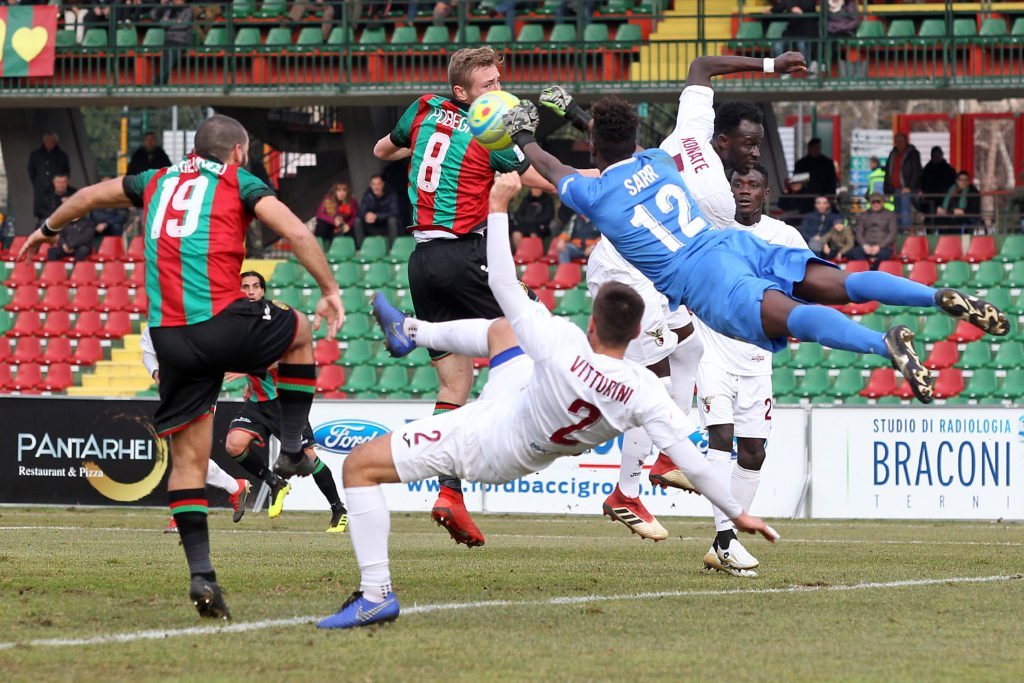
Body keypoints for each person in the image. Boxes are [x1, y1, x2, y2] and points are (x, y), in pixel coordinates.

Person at [324, 173, 779, 630]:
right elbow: (695, 463)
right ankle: (411, 331)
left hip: (490, 440)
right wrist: (738, 513)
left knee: (359, 467)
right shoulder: (643, 389)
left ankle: (375, 595)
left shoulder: (564, 343)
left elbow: (503, 282)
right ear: (636, 333)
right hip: (525, 412)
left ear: (592, 324)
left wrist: (498, 207)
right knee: (506, 331)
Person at [19, 114, 344, 620]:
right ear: (238, 152)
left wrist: (46, 230)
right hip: (221, 321)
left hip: (169, 340)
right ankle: (292, 446)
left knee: (188, 463)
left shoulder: (154, 180)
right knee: (300, 331)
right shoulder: (237, 180)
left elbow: (86, 197)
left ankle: (202, 575)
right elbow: (297, 233)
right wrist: (329, 290)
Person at [504, 92, 1008, 407]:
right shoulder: (655, 159)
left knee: (794, 318)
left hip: (705, 281)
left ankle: (884, 346)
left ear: (594, 149)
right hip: (730, 243)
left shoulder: (593, 195)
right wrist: (576, 112)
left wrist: (522, 133)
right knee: (841, 283)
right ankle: (933, 296)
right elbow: (617, 144)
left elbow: (550, 165)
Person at [371, 46, 552, 548]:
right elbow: (534, 177)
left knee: (454, 385)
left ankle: (449, 494)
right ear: (462, 91)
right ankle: (532, 431)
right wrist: (588, 184)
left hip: (423, 262)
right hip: (466, 255)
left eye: (498, 81)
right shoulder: (487, 130)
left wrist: (427, 148)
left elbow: (382, 151)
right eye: (487, 85)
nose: (497, 90)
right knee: (536, 328)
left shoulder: (423, 109)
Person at [695, 164, 808, 577]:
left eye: (753, 185)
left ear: (766, 193)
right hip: (712, 354)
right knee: (721, 437)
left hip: (757, 361)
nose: (744, 190)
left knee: (754, 452)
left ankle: (724, 543)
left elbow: (805, 281)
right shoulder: (711, 231)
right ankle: (726, 539)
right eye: (738, 184)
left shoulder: (784, 236)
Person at [223, 271, 349, 533]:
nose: (250, 291)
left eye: (255, 286)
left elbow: (287, 356)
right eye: (245, 286)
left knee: (308, 458)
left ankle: (338, 509)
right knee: (234, 444)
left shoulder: (276, 318)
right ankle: (275, 482)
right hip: (257, 402)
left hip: (285, 402)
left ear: (263, 291)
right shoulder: (237, 321)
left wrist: (247, 368)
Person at [140, 325, 253, 533]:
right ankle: (235, 487)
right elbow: (147, 352)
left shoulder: (199, 317)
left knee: (186, 457)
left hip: (201, 392)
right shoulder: (157, 319)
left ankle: (182, 516)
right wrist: (156, 372)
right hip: (173, 395)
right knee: (190, 458)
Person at [28, 133, 70, 221]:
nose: (49, 143)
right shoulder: (35, 154)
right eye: (47, 141)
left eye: (52, 141)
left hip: (56, 191)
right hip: (41, 190)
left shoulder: (62, 155)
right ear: (44, 142)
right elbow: (32, 172)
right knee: (42, 215)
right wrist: (39, 183)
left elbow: (66, 172)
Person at [884, 132, 922, 230]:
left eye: (901, 141)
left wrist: (909, 187)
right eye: (897, 141)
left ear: (906, 141)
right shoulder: (893, 154)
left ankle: (906, 230)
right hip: (895, 189)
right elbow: (888, 172)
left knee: (905, 209)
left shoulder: (912, 154)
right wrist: (887, 189)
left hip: (908, 189)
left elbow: (916, 171)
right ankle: (899, 230)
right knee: (897, 210)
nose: (899, 143)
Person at [151, 0, 194, 85]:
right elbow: (156, 18)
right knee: (167, 57)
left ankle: (160, 80)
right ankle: (161, 80)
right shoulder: (168, 9)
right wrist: (163, 6)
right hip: (169, 39)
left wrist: (168, 22)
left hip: (182, 39)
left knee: (170, 55)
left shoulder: (188, 10)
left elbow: (183, 25)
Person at [849, 193, 897, 267]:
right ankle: (865, 270)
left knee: (884, 254)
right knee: (854, 253)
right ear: (870, 203)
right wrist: (865, 245)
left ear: (882, 202)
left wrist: (879, 246)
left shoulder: (890, 215)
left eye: (878, 202)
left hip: (883, 246)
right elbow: (859, 232)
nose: (876, 204)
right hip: (867, 246)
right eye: (873, 202)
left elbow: (892, 234)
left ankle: (874, 271)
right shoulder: (864, 215)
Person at [792, 139, 838, 214]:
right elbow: (796, 181)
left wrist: (830, 196)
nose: (816, 150)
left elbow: (832, 181)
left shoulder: (827, 163)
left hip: (823, 196)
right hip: (805, 199)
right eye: (814, 147)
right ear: (809, 149)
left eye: (818, 147)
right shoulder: (801, 164)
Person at [353, 175, 400, 248]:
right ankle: (362, 249)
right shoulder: (367, 195)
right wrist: (366, 215)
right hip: (372, 226)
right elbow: (360, 213)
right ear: (370, 185)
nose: (376, 187)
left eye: (378, 184)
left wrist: (377, 216)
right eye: (374, 184)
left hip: (385, 226)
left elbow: (395, 212)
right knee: (357, 221)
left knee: (392, 220)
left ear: (382, 184)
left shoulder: (390, 194)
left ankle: (393, 248)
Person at [314, 182, 359, 249]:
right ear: (335, 192)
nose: (341, 193)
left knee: (349, 231)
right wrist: (333, 221)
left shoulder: (351, 202)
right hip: (330, 225)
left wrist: (348, 225)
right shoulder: (328, 200)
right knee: (321, 224)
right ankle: (317, 248)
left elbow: (354, 216)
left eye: (344, 190)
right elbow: (319, 214)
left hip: (344, 225)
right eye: (338, 190)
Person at [919, 146, 957, 219]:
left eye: (938, 155)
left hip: (944, 198)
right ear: (931, 156)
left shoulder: (948, 169)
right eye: (934, 155)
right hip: (929, 199)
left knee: (943, 219)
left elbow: (954, 184)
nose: (936, 157)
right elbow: (922, 182)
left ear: (941, 155)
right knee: (930, 219)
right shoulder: (927, 169)